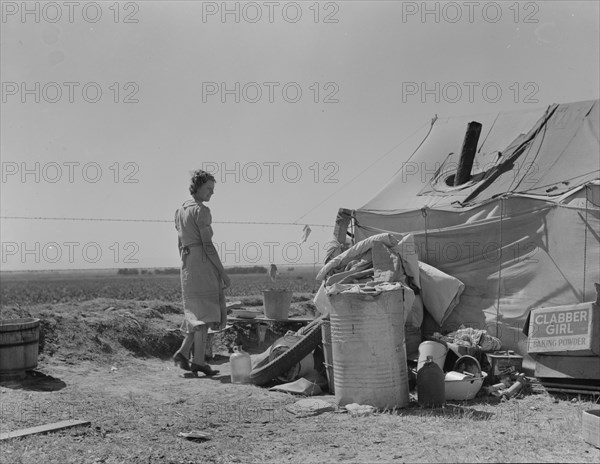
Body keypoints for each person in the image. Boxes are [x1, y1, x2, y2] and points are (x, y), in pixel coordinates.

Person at [172, 170, 231, 376]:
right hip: (202, 263)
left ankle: (183, 353)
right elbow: (208, 246)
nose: (211, 193)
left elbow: (180, 243)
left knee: (196, 311)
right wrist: (223, 273)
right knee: (204, 313)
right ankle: (197, 361)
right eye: (208, 188)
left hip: (188, 263)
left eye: (213, 190)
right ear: (197, 187)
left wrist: (186, 262)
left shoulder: (180, 210)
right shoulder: (201, 211)